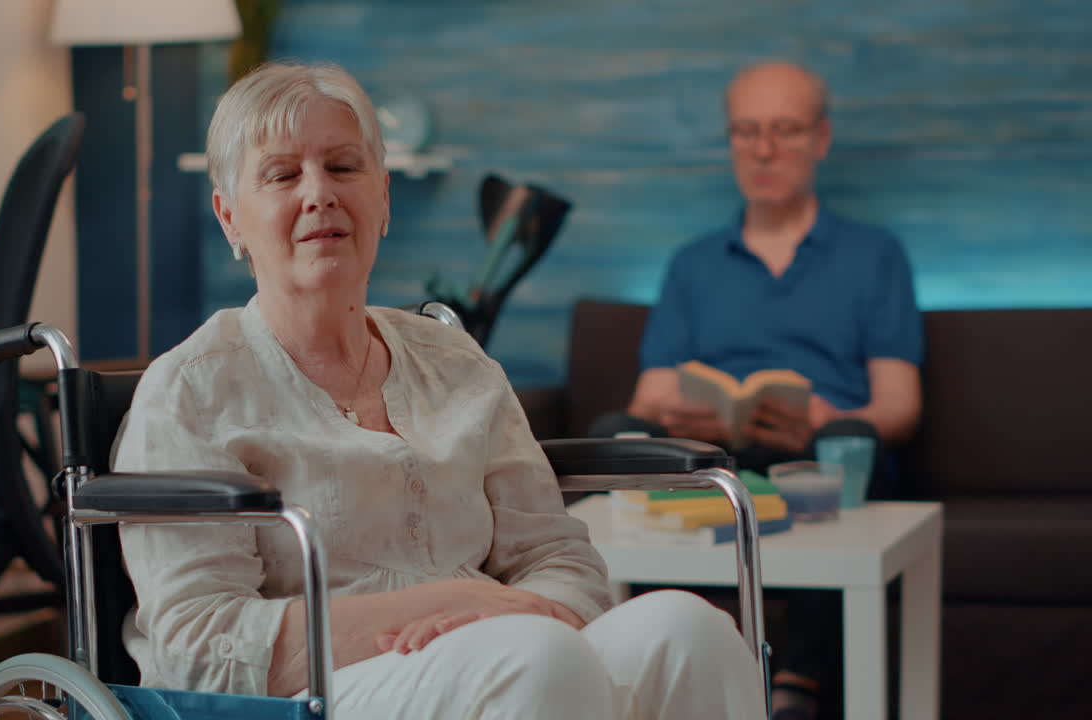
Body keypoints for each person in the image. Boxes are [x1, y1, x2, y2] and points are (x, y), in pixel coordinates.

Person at [110, 61, 766, 720]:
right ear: (230, 218)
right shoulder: (192, 392)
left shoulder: (454, 362)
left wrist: (529, 613)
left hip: (504, 654)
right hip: (310, 696)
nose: (319, 194)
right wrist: (467, 608)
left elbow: (555, 554)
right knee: (536, 657)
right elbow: (202, 645)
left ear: (383, 198)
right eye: (282, 175)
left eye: (343, 167)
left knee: (689, 631)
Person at [591, 61, 923, 720]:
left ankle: (795, 684)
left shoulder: (874, 255)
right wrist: (675, 411)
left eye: (784, 130)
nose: (763, 149)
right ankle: (676, 661)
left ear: (821, 138)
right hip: (712, 459)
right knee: (614, 435)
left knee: (848, 441)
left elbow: (900, 402)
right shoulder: (694, 264)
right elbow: (649, 393)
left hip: (819, 459)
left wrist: (833, 416)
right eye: (747, 132)